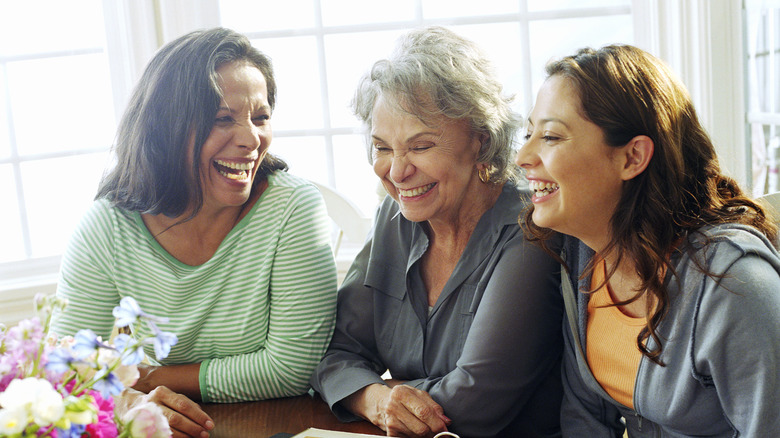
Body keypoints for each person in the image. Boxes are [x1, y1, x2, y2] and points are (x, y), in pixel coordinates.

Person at [51, 28, 338, 438]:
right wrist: (131, 403)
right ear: (165, 129)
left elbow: (291, 369)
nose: (251, 139)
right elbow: (64, 368)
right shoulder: (108, 226)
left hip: (284, 422)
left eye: (260, 117)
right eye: (223, 119)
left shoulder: (292, 208)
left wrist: (150, 378)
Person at [310, 26, 564, 438]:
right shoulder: (394, 221)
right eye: (383, 148)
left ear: (481, 142)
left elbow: (474, 404)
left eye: (420, 146)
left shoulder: (531, 231)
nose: (396, 171)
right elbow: (335, 357)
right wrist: (376, 399)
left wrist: (376, 390)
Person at [516, 44, 780, 437]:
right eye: (528, 133)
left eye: (551, 136)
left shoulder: (735, 285)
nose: (523, 156)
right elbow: (585, 420)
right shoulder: (580, 253)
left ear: (632, 157)